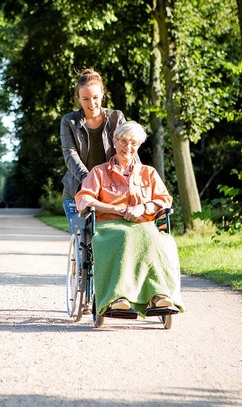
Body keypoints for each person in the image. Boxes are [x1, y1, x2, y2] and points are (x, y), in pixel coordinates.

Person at [75, 120, 185, 316]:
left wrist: (144, 207)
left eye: (134, 143)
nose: (128, 147)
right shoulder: (99, 172)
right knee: (125, 237)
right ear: (114, 141)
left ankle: (160, 295)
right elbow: (84, 199)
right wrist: (115, 209)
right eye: (124, 141)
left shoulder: (148, 173)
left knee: (153, 237)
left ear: (139, 145)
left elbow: (165, 200)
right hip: (108, 226)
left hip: (143, 223)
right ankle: (117, 297)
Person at [60, 68, 126, 233]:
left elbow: (128, 151)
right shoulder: (69, 121)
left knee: (112, 239)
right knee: (84, 242)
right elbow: (70, 154)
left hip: (111, 192)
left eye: (95, 97)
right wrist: (89, 180)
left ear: (103, 94)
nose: (91, 104)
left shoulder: (116, 118)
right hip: (77, 191)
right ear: (78, 98)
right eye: (85, 99)